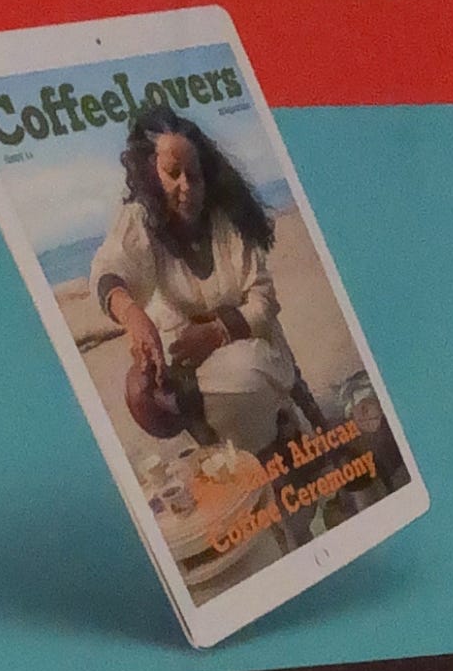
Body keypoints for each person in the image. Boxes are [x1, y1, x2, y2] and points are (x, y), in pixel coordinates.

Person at [95, 107, 321, 485]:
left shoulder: (226, 219)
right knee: (143, 392)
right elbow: (110, 268)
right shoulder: (140, 220)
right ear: (151, 173)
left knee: (247, 371)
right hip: (189, 361)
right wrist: (133, 315)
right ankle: (246, 442)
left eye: (194, 176)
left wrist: (218, 331)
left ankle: (275, 432)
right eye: (173, 173)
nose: (186, 187)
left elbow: (263, 302)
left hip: (253, 344)